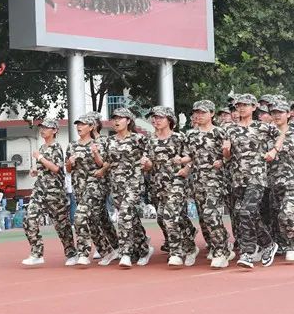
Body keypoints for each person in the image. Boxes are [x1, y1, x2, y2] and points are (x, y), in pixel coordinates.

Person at [224, 93, 285, 269]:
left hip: (256, 177)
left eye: (245, 105)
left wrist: (274, 151)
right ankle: (268, 244)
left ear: (254, 107)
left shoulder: (262, 126)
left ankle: (248, 252)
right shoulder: (230, 129)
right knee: (249, 215)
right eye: (238, 105)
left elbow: (281, 134)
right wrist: (226, 151)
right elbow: (227, 156)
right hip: (238, 178)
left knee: (246, 212)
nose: (241, 108)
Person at [92, 107, 154, 268]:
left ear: (128, 121)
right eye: (114, 118)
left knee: (125, 213)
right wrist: (96, 156)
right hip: (116, 185)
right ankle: (144, 249)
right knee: (130, 218)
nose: (116, 121)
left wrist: (146, 164)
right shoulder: (109, 141)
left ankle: (125, 253)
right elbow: (104, 163)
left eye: (120, 118)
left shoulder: (138, 139)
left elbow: (148, 161)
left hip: (133, 183)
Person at [143, 106, 197, 267]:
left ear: (169, 120)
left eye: (160, 117)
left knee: (169, 216)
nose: (156, 120)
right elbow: (148, 164)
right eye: (154, 117)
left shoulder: (179, 138)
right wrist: (146, 164)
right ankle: (189, 246)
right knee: (164, 218)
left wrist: (185, 168)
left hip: (177, 183)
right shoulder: (150, 140)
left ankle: (176, 253)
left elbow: (192, 157)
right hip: (157, 185)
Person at [181, 100, 231, 269]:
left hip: (215, 180)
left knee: (211, 214)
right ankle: (221, 244)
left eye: (203, 112)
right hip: (197, 181)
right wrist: (181, 161)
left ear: (212, 114)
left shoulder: (220, 132)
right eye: (197, 112)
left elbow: (230, 155)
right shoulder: (190, 134)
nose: (199, 115)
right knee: (204, 217)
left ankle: (220, 252)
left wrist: (223, 158)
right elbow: (189, 157)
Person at [21, 118, 77, 267]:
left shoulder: (56, 147)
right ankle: (36, 253)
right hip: (40, 190)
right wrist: (35, 171)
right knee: (29, 219)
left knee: (62, 225)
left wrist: (39, 158)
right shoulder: (42, 148)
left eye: (47, 127)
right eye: (42, 127)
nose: (43, 130)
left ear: (54, 131)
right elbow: (45, 168)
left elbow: (56, 168)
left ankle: (71, 253)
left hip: (55, 192)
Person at [66, 114, 118, 266]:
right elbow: (68, 169)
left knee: (80, 216)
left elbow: (103, 164)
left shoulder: (98, 143)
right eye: (78, 125)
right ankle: (107, 251)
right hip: (79, 187)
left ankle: (83, 253)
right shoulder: (72, 145)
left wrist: (95, 153)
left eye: (83, 125)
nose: (79, 127)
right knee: (92, 220)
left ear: (91, 127)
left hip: (95, 185)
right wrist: (70, 162)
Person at [267, 101, 294, 263]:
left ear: (288, 114)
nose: (277, 115)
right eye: (274, 113)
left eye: (280, 112)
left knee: (286, 213)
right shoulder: (267, 133)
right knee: (286, 216)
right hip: (275, 180)